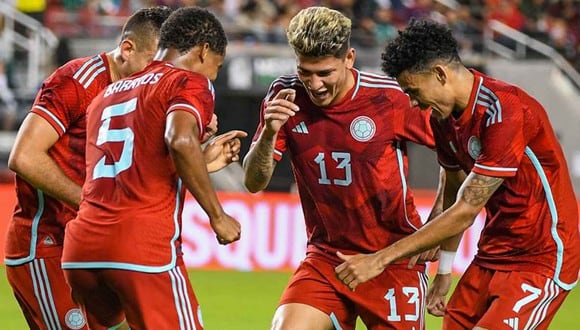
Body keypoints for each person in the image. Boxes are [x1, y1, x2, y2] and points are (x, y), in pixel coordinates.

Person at [335, 19, 580, 329]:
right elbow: (452, 186)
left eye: (412, 90)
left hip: (541, 257)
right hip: (493, 252)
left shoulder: (505, 110)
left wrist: (379, 259)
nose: (412, 102)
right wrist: (444, 270)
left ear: (439, 74)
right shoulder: (443, 119)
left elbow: (465, 209)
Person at [243, 6, 438, 330]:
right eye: (305, 72)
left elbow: (456, 154)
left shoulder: (388, 99)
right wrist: (268, 133)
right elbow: (253, 182)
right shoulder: (284, 95)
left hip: (391, 259)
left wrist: (438, 224)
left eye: (325, 74)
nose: (315, 85)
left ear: (349, 58)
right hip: (327, 257)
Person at [61, 7, 243, 330]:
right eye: (217, 65)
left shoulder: (105, 96)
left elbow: (132, 166)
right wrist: (218, 216)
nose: (213, 75)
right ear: (203, 51)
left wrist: (204, 159)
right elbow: (179, 138)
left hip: (81, 251)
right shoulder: (189, 81)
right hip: (141, 250)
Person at [4, 6, 173, 329]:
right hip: (47, 245)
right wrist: (92, 206)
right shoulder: (77, 81)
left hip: (96, 250)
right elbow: (24, 156)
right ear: (127, 48)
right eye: (154, 62)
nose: (159, 75)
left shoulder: (142, 95)